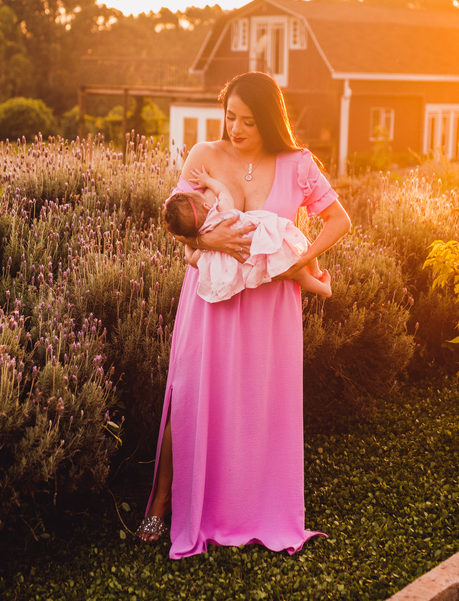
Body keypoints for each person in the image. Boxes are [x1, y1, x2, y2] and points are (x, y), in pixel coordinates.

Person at [137, 71, 351, 558]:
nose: (235, 128)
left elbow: (340, 220)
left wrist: (301, 261)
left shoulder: (298, 163)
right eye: (230, 116)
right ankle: (163, 501)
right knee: (189, 395)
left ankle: (247, 506)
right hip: (209, 301)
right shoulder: (203, 157)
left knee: (258, 407)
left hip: (271, 307)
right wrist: (205, 239)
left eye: (248, 121)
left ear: (270, 121)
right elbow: (178, 218)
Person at [162, 165, 333, 301]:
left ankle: (323, 288)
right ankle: (319, 277)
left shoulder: (207, 247)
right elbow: (223, 191)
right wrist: (207, 181)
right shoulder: (222, 210)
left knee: (299, 275)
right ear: (207, 206)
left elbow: (191, 259)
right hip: (264, 240)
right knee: (300, 244)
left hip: (252, 262)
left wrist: (193, 240)